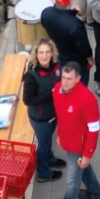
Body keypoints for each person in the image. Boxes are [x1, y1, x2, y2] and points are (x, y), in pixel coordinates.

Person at [42, 62, 100, 199]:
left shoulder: (87, 99)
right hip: (68, 142)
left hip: (79, 148)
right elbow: (62, 116)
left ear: (78, 79)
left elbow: (94, 129)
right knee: (84, 168)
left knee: (72, 184)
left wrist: (87, 154)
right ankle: (95, 194)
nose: (65, 82)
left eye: (69, 78)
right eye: (63, 77)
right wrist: (61, 134)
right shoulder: (57, 91)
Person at [23, 37, 64, 182]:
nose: (44, 56)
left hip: (53, 113)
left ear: (52, 53)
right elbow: (27, 100)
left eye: (47, 52)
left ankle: (50, 158)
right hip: (41, 118)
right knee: (43, 144)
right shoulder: (31, 75)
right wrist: (51, 93)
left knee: (47, 141)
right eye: (41, 53)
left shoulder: (56, 66)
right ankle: (43, 173)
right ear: (36, 54)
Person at [41, 0, 94, 76]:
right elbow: (84, 46)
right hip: (76, 62)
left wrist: (71, 12)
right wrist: (90, 59)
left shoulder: (46, 13)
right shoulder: (76, 25)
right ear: (70, 1)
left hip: (58, 55)